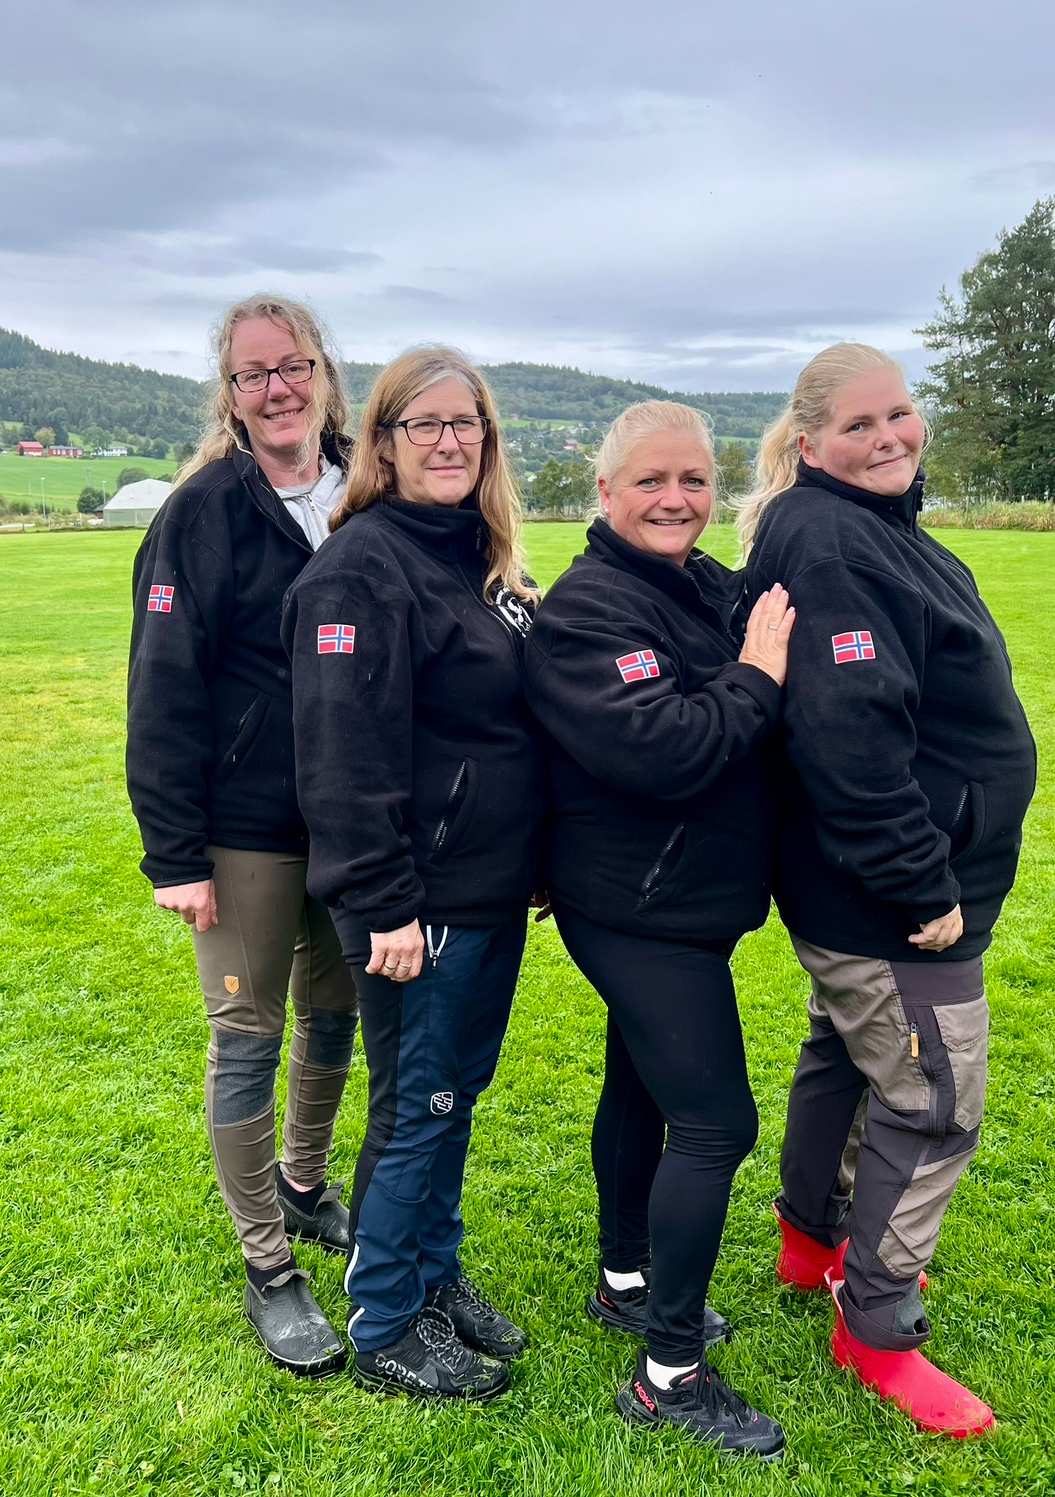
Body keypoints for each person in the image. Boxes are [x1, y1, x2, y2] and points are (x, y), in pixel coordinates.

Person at [740, 344, 1036, 1437]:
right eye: (859, 425)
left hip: (862, 887)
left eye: (898, 414)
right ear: (810, 443)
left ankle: (813, 1239)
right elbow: (848, 737)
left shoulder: (871, 526)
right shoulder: (832, 543)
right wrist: (921, 881)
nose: (889, 438)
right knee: (933, 1096)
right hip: (892, 894)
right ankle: (876, 1325)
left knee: (844, 1051)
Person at [523, 400, 794, 1461]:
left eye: (694, 480)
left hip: (681, 897)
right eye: (651, 480)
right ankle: (668, 1375)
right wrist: (757, 677)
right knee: (718, 1124)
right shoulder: (592, 610)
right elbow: (668, 749)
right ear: (605, 492)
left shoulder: (696, 584)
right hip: (637, 906)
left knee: (640, 1085)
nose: (676, 499)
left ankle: (626, 1277)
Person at [282, 347, 543, 1404]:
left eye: (465, 422)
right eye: (422, 423)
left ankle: (433, 1274)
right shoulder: (360, 570)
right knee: (416, 1104)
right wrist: (383, 900)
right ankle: (387, 1319)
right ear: (382, 443)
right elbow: (340, 756)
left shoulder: (478, 559)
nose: (448, 441)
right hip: (413, 902)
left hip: (486, 890)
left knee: (452, 1095)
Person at [126, 294, 360, 1378]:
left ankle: (305, 1186)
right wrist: (175, 854)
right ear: (229, 393)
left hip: (352, 821)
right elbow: (163, 686)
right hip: (243, 828)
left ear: (324, 373)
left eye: (293, 365)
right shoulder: (202, 511)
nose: (277, 388)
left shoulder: (367, 486)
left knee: (336, 1013)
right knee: (248, 1036)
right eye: (253, 373)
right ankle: (270, 1264)